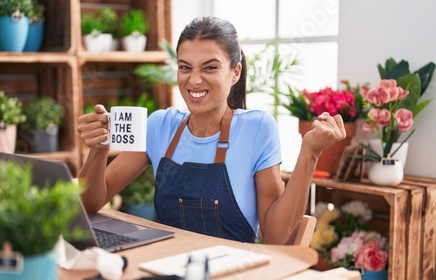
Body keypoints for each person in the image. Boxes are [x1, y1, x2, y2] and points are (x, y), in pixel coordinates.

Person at [76, 16, 345, 245]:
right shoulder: (160, 126)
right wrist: (99, 150)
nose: (194, 80)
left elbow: (276, 237)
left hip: (237, 276)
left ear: (235, 72)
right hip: (169, 268)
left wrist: (310, 153)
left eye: (210, 68)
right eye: (185, 68)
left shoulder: (257, 129)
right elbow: (89, 204)